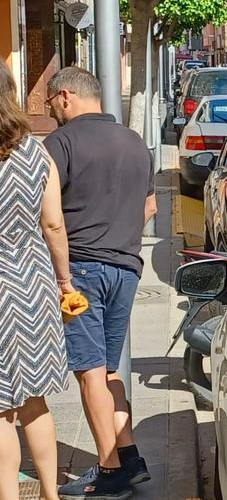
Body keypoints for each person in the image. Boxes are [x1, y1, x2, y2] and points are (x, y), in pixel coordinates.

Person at [44, 68, 155, 500]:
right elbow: (148, 208)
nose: (51, 110)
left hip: (82, 271)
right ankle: (129, 457)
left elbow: (49, 214)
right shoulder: (134, 143)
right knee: (109, 370)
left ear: (66, 96)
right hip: (126, 268)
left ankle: (109, 471)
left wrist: (63, 276)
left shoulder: (61, 143)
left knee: (89, 372)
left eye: (51, 102)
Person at [0, 63, 71, 500]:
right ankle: (50, 493)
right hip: (32, 287)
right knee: (34, 401)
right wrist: (64, 281)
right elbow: (54, 226)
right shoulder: (36, 154)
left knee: (1, 413)